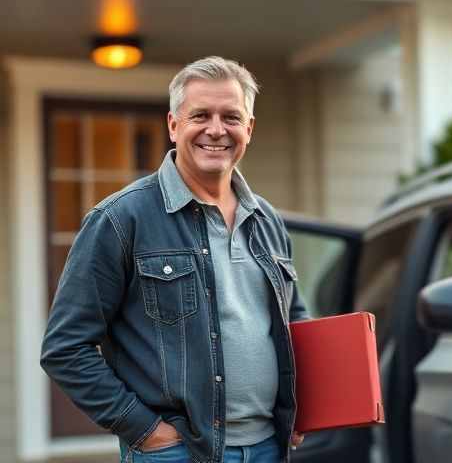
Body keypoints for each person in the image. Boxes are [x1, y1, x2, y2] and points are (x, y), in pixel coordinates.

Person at [41, 56, 307, 463]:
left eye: (231, 117)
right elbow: (65, 347)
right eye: (200, 114)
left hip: (269, 446)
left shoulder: (266, 219)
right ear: (173, 125)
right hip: (178, 451)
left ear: (248, 129)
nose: (216, 130)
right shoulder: (120, 219)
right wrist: (143, 430)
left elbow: (293, 320)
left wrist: (308, 403)